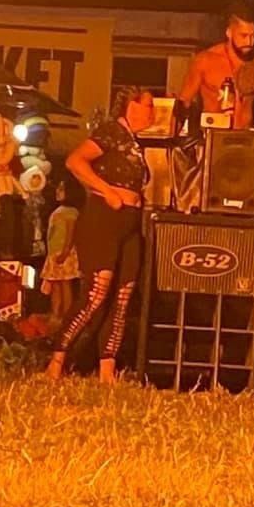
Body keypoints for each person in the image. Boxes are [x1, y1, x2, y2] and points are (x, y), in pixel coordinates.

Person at [45, 87, 154, 384]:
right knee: (95, 295)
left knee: (122, 296)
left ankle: (107, 370)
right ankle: (56, 361)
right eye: (148, 105)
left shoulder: (134, 141)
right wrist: (106, 192)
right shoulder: (111, 132)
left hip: (130, 223)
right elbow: (75, 160)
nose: (153, 112)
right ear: (131, 107)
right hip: (105, 217)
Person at [178, 5, 254, 130]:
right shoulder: (205, 60)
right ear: (229, 33)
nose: (249, 42)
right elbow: (184, 102)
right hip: (212, 134)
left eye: (253, 36)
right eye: (243, 36)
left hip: (245, 137)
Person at [40, 174, 80, 331]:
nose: (58, 191)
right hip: (54, 252)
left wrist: (65, 251)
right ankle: (56, 313)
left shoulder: (71, 212)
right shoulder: (58, 211)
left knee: (65, 284)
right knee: (55, 284)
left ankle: (66, 315)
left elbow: (71, 233)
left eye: (62, 189)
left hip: (64, 253)